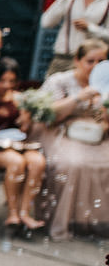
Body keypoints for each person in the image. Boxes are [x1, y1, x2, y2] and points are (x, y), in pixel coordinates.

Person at [36, 38, 109, 240]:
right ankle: (65, 220)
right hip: (60, 131)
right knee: (73, 163)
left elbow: (99, 118)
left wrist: (102, 110)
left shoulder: (105, 84)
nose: (94, 66)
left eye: (100, 61)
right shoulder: (60, 81)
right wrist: (79, 98)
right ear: (77, 60)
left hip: (94, 135)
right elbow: (50, 115)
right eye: (90, 61)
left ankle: (96, 221)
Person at [0, 57, 46, 233]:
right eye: (3, 80)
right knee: (16, 163)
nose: (7, 85)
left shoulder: (19, 99)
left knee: (37, 162)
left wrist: (26, 121)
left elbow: (24, 128)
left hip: (17, 143)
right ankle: (12, 213)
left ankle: (25, 212)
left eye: (12, 81)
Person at [40, 0, 109, 76]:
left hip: (90, 63)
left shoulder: (107, 1)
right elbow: (46, 22)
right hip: (61, 59)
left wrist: (90, 28)